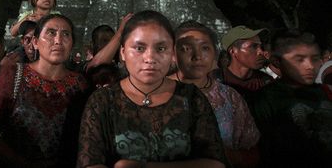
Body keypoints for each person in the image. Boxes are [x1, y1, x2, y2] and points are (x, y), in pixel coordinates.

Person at [77, 10, 227, 168]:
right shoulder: (102, 101)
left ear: (172, 53)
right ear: (122, 53)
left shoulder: (192, 98)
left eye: (161, 49)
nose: (150, 58)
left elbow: (215, 163)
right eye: (139, 48)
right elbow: (90, 162)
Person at [0, 14, 88, 167]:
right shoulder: (13, 74)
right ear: (35, 42)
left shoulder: (80, 84)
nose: (58, 41)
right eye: (51, 33)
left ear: (72, 43)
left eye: (66, 34)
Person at [172, 20, 260, 168]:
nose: (197, 56)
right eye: (186, 48)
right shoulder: (150, 93)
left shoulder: (230, 98)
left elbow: (253, 153)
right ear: (173, 54)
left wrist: (229, 155)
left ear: (215, 53)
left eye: (205, 48)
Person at [251, 29, 332, 167]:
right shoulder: (264, 99)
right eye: (299, 59)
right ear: (277, 61)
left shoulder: (323, 92)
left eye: (315, 58)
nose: (310, 66)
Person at [213, 25, 273, 106]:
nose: (261, 52)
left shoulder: (266, 82)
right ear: (233, 51)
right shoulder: (213, 80)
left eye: (260, 47)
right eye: (253, 46)